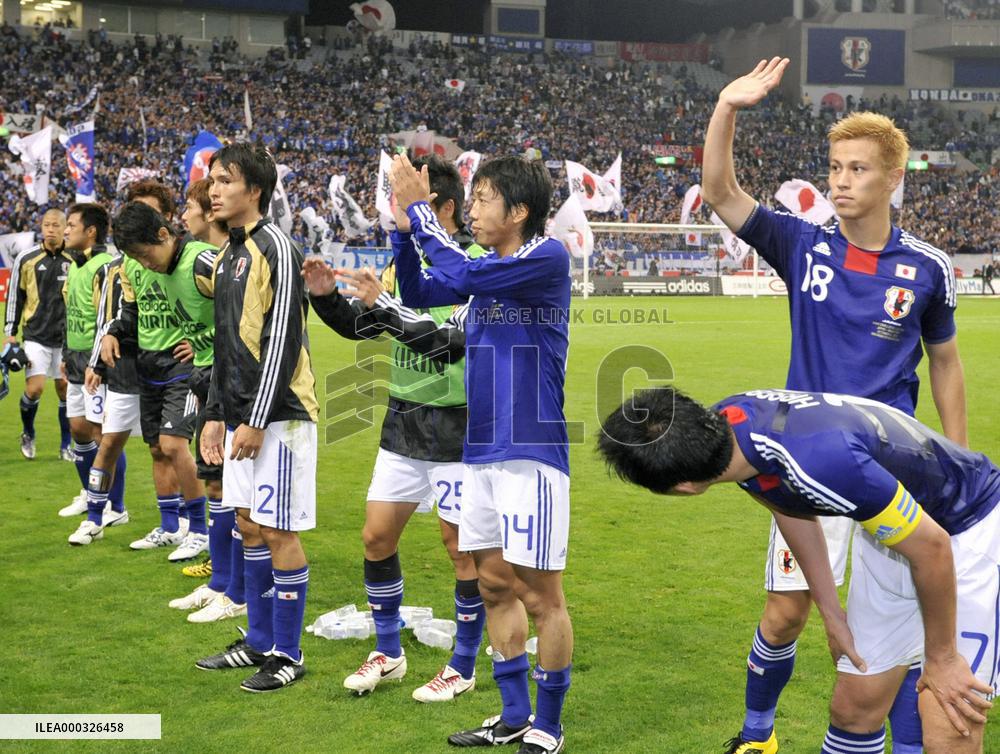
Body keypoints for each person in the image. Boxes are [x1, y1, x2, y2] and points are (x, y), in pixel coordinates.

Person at [702, 58, 967, 754]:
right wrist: (727, 106)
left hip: (891, 467)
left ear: (893, 179)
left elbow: (944, 360)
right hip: (805, 460)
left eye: (857, 169)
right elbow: (720, 191)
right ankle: (758, 736)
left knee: (902, 631)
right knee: (787, 613)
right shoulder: (802, 243)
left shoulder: (927, 268)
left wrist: (955, 456)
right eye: (835, 168)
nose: (841, 181)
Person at [598, 387, 997, 754]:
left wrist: (943, 658)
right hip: (894, 534)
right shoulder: (724, 431)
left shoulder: (821, 462)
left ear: (682, 487)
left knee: (949, 725)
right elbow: (789, 505)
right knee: (853, 709)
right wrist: (831, 613)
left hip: (968, 529)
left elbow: (932, 548)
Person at [392, 154, 572, 754]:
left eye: (483, 198)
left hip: (530, 452)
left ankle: (549, 725)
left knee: (541, 596)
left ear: (518, 211)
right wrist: (403, 232)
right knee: (494, 586)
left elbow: (464, 275)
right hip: (479, 453)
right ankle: (514, 714)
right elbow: (421, 290)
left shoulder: (545, 257)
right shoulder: (490, 270)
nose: (471, 208)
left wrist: (422, 211)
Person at [304, 155, 488, 702]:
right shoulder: (400, 262)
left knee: (461, 549)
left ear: (443, 208)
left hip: (459, 428)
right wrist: (325, 298)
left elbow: (442, 341)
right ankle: (389, 653)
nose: (394, 208)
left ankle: (462, 664)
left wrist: (385, 305)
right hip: (404, 422)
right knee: (376, 537)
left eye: (409, 197)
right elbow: (368, 325)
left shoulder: (476, 267)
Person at [195, 143, 319, 693]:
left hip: (281, 416)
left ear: (256, 190)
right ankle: (260, 640)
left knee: (277, 530)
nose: (214, 189)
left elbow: (284, 340)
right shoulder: (228, 254)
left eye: (225, 180)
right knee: (247, 523)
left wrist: (257, 419)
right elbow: (224, 347)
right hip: (241, 416)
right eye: (212, 180)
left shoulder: (278, 248)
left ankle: (288, 654)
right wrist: (215, 414)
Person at [100, 200, 215, 562]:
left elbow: (238, 308)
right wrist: (114, 332)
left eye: (144, 253)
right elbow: (131, 310)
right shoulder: (135, 267)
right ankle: (170, 526)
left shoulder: (201, 260)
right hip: (148, 366)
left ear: (163, 232)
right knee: (157, 449)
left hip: (184, 367)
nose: (143, 262)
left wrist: (201, 341)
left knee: (174, 443)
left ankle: (199, 529)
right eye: (135, 256)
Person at [172, 177, 247, 623]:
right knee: (217, 484)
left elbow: (238, 328)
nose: (184, 215)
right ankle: (221, 581)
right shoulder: (212, 260)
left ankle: (234, 588)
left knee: (234, 491)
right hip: (210, 384)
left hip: (233, 389)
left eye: (189, 207)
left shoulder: (217, 263)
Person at [60, 204, 116, 519]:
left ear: (91, 231)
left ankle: (114, 506)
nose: (66, 230)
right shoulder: (76, 264)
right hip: (75, 358)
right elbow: (70, 312)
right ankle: (90, 493)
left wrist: (98, 363)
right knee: (79, 429)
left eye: (71, 224)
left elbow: (107, 320)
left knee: (103, 435)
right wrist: (66, 354)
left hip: (97, 363)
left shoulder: (104, 266)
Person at [4, 208, 74, 462]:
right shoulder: (27, 258)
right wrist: (10, 333)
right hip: (36, 335)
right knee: (34, 389)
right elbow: (15, 296)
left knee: (65, 390)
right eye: (46, 225)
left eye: (56, 225)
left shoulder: (75, 258)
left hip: (68, 338)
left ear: (65, 228)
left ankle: (66, 445)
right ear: (41, 227)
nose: (50, 229)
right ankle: (28, 433)